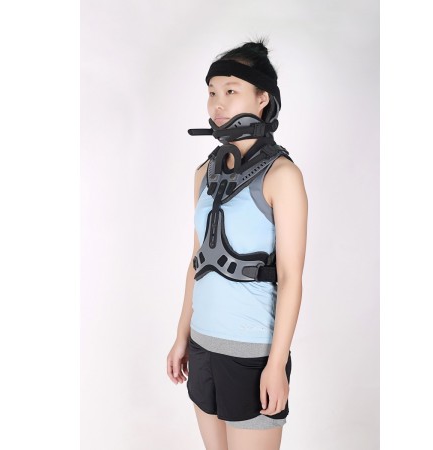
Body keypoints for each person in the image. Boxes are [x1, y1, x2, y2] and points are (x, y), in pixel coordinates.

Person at [166, 37, 308, 450]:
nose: (217, 104)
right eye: (212, 92)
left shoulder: (282, 176)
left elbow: (291, 278)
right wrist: (181, 336)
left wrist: (276, 364)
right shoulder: (204, 173)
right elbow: (197, 262)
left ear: (263, 98)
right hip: (202, 346)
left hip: (251, 355)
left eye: (231, 91)